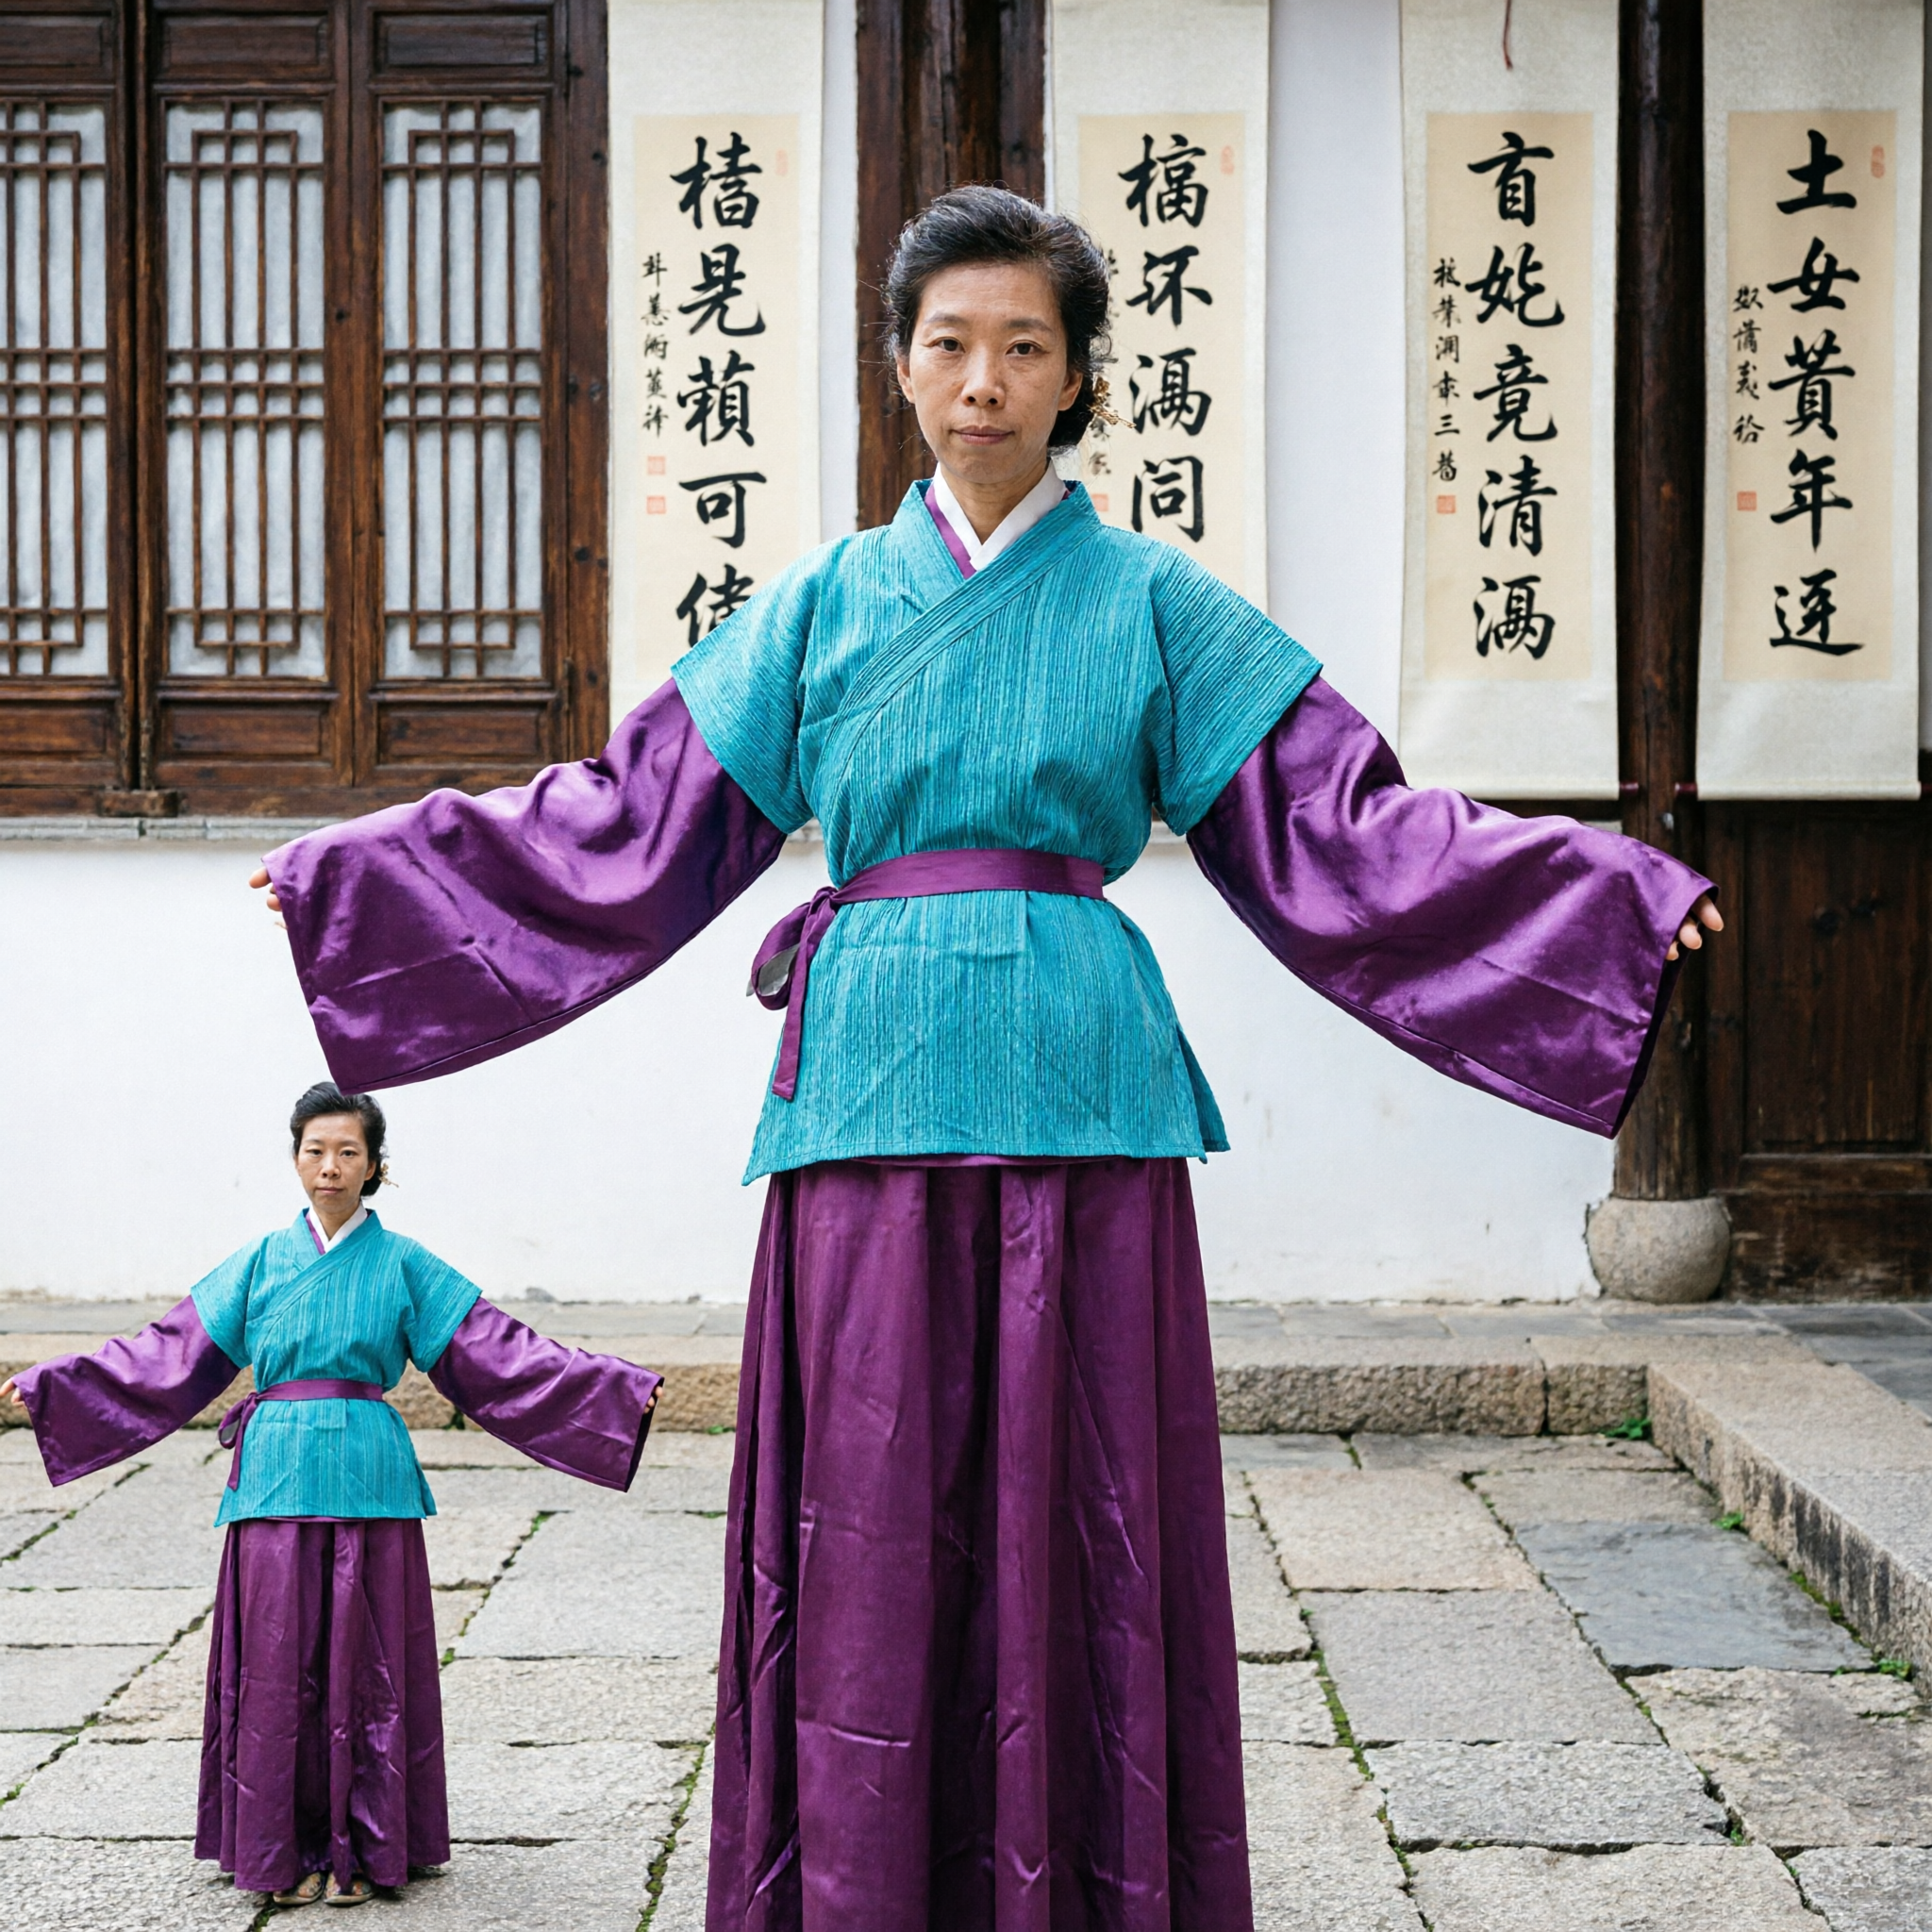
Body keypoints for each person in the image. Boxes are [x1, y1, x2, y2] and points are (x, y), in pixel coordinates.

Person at [247, 187, 1720, 1928]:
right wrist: (368, 877)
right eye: (948, 343)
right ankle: (862, 1878)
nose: (982, 381)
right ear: (897, 367)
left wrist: (1596, 903)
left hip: (1076, 1084)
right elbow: (625, 819)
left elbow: (1345, 828)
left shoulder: (1156, 606)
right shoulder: (820, 605)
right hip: (865, 1085)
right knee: (865, 1515)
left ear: (1079, 380)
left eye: (1025, 345)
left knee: (1081, 1503)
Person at [4, 1082, 661, 1908]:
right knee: (278, 1668)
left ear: (376, 1167)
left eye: (349, 1151)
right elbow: (166, 1354)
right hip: (276, 1475)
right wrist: (57, 1390)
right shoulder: (257, 1262)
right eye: (315, 1150)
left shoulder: (405, 1264)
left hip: (368, 1471)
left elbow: (499, 1353)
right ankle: (282, 1851)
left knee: (370, 1662)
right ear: (294, 1160)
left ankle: (369, 1848)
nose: (330, 1166)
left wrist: (615, 1392)